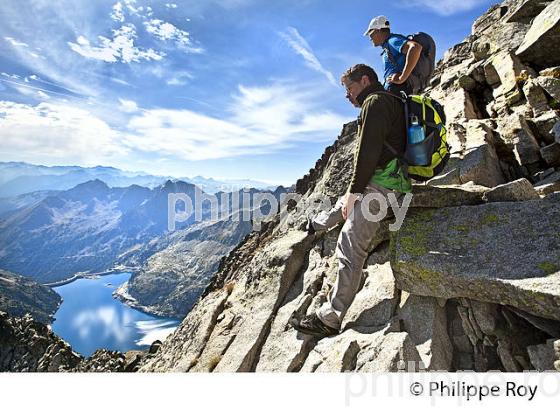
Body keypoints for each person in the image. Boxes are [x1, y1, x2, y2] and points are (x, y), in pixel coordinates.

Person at [290, 64, 412, 338]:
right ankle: (318, 224)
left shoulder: (375, 103)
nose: (347, 95)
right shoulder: (388, 100)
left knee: (350, 242)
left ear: (365, 80)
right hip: (384, 178)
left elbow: (367, 153)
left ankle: (331, 318)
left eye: (349, 88)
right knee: (346, 200)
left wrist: (354, 193)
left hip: (385, 185)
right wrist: (352, 194)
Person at [364, 15, 423, 95]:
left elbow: (415, 48)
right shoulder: (387, 46)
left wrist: (402, 78)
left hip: (398, 91)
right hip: (394, 92)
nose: (370, 37)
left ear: (378, 30)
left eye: (370, 32)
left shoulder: (392, 41)